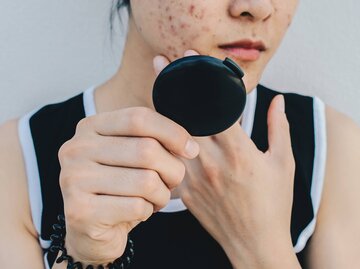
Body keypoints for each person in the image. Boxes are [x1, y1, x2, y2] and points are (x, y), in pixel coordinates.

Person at [1, 0, 359, 268]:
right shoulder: (16, 162)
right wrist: (87, 255)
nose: (257, 7)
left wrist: (261, 247)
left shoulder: (334, 148)